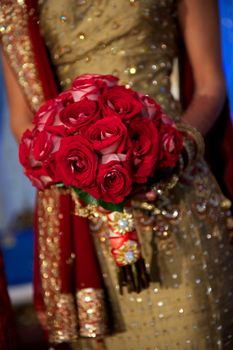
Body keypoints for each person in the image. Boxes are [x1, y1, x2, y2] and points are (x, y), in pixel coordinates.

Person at [1, 0, 233, 349]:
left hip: (176, 195)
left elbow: (210, 87)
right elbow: (22, 122)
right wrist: (78, 169)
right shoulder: (14, 6)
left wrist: (172, 151)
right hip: (84, 217)